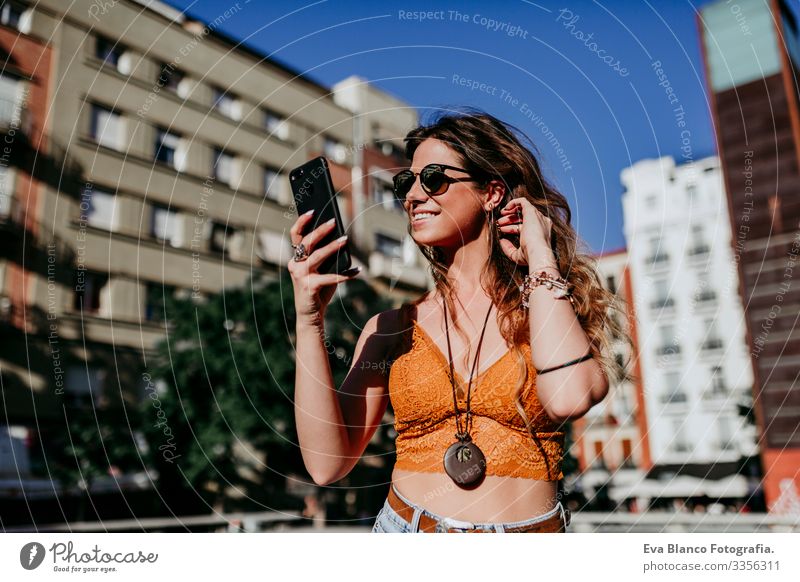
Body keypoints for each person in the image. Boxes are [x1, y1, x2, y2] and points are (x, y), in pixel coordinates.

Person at [290, 108, 629, 533]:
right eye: (405, 183)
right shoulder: (390, 328)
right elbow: (326, 465)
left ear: (491, 193)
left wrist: (540, 256)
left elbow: (570, 398)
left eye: (433, 178)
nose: (412, 195)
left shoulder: (548, 307)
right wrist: (309, 320)